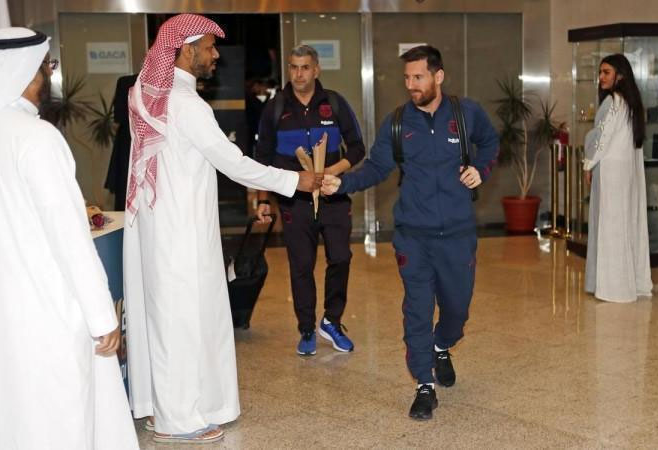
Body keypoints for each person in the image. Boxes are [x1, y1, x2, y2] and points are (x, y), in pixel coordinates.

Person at [123, 14, 320, 444]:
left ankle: (166, 408)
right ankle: (177, 421)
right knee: (182, 319)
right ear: (186, 49)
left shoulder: (147, 91)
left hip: (160, 225)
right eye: (211, 47)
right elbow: (233, 163)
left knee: (165, 316)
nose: (216, 55)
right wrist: (294, 181)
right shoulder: (186, 104)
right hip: (182, 229)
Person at [321, 45, 498, 420]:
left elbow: (491, 143)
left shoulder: (466, 114)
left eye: (418, 77)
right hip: (413, 236)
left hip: (457, 234)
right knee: (417, 309)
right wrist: (342, 183)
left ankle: (442, 345)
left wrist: (480, 169)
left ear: (438, 76)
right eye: (407, 78)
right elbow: (377, 167)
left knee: (457, 310)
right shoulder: (398, 122)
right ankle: (424, 385)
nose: (411, 85)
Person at [0, 27, 138, 449]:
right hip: (47, 307)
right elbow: (68, 235)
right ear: (27, 71)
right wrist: (102, 317)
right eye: (46, 67)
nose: (49, 77)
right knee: (63, 414)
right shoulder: (36, 137)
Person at [254, 45, 366, 355]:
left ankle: (331, 321)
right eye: (293, 67)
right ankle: (306, 329)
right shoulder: (275, 108)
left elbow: (357, 148)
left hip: (333, 197)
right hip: (294, 202)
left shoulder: (334, 103)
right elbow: (262, 159)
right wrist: (263, 200)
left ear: (316, 70)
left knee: (341, 258)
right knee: (301, 266)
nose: (299, 73)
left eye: (305, 67)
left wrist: (333, 171)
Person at [582, 53, 653, 302]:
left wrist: (588, 164)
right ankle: (630, 283)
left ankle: (614, 288)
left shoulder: (613, 101)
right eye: (600, 72)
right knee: (625, 225)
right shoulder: (631, 103)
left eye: (606, 72)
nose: (601, 77)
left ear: (620, 76)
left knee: (610, 227)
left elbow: (601, 138)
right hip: (626, 174)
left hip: (611, 174)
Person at [104, 73, 138, 210]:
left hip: (127, 143)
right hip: (141, 144)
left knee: (125, 196)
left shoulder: (125, 82)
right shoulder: (169, 83)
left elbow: (118, 117)